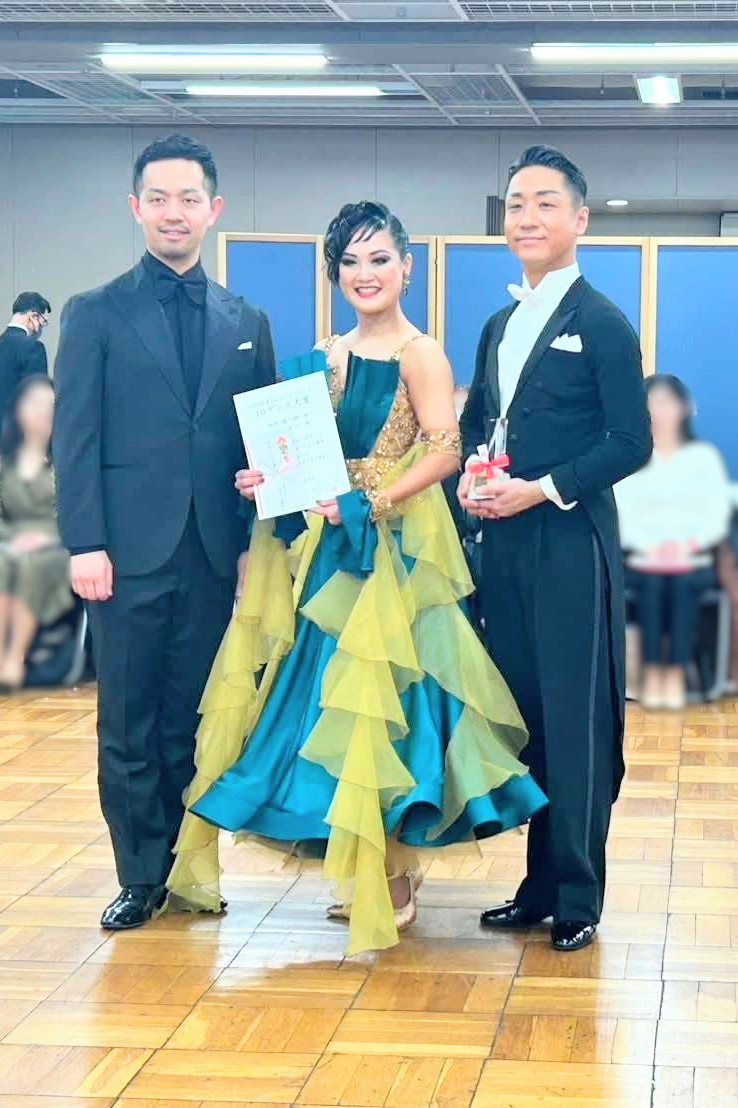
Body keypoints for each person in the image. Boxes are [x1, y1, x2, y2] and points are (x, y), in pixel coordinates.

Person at [166, 200, 547, 956]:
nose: (365, 274)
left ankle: (394, 873)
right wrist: (265, 479)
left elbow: (444, 450)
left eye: (379, 259)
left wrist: (372, 499)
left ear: (407, 268)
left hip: (392, 552)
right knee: (327, 710)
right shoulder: (325, 352)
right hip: (327, 549)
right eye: (350, 262)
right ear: (335, 274)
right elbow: (301, 453)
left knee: (389, 706)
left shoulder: (421, 353)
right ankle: (362, 861)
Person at [53, 134, 276, 932]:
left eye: (188, 198)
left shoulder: (247, 321)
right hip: (123, 555)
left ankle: (186, 871)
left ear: (214, 209)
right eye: (158, 198)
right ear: (135, 208)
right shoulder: (95, 313)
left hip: (212, 553)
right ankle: (139, 874)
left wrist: (251, 538)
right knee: (128, 721)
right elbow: (75, 438)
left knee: (192, 718)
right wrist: (84, 542)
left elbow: (257, 445)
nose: (173, 212)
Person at [458, 145, 652, 952]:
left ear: (579, 220)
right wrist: (473, 475)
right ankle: (537, 886)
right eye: (515, 205)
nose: (527, 218)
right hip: (503, 545)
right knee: (527, 718)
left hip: (570, 543)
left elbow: (631, 442)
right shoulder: (499, 325)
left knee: (575, 720)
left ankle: (578, 893)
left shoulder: (602, 321)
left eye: (545, 203)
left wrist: (541, 488)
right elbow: (479, 424)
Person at [615, 375, 732, 710]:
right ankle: (654, 675)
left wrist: (688, 543)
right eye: (653, 404)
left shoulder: (703, 459)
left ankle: (675, 673)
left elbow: (716, 515)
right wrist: (650, 545)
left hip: (692, 558)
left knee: (681, 583)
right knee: (652, 583)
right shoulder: (628, 459)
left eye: (668, 403)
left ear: (683, 409)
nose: (661, 412)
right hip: (640, 558)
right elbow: (621, 514)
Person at [0, 376, 72, 691]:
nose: (43, 411)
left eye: (50, 404)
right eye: (34, 403)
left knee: (31, 565)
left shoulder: (68, 461)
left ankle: (14, 659)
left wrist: (46, 537)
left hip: (57, 549)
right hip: (9, 546)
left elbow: (73, 513)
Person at [0, 292, 51, 418]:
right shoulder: (34, 348)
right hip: (15, 429)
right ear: (34, 316)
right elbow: (37, 403)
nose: (41, 328)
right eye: (43, 322)